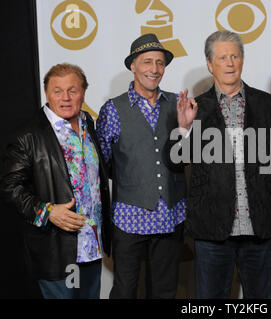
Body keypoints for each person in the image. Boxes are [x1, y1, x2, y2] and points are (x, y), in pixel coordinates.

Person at [172, 30, 271, 299]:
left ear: (242, 60)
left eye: (234, 56)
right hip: (212, 230)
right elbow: (178, 161)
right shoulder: (196, 108)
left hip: (261, 227)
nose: (229, 63)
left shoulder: (268, 105)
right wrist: (183, 128)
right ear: (209, 64)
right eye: (222, 57)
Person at [0, 63, 111, 299]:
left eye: (72, 90)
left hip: (92, 246)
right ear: (46, 94)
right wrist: (47, 212)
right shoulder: (28, 136)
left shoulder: (88, 125)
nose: (66, 98)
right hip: (58, 251)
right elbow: (10, 188)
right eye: (57, 91)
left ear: (83, 92)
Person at [96, 33, 186, 299]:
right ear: (133, 66)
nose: (154, 69)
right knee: (125, 290)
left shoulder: (177, 105)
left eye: (160, 63)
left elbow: (189, 158)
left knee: (165, 290)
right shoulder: (112, 109)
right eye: (147, 62)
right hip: (128, 216)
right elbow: (103, 163)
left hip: (171, 213)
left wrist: (185, 128)